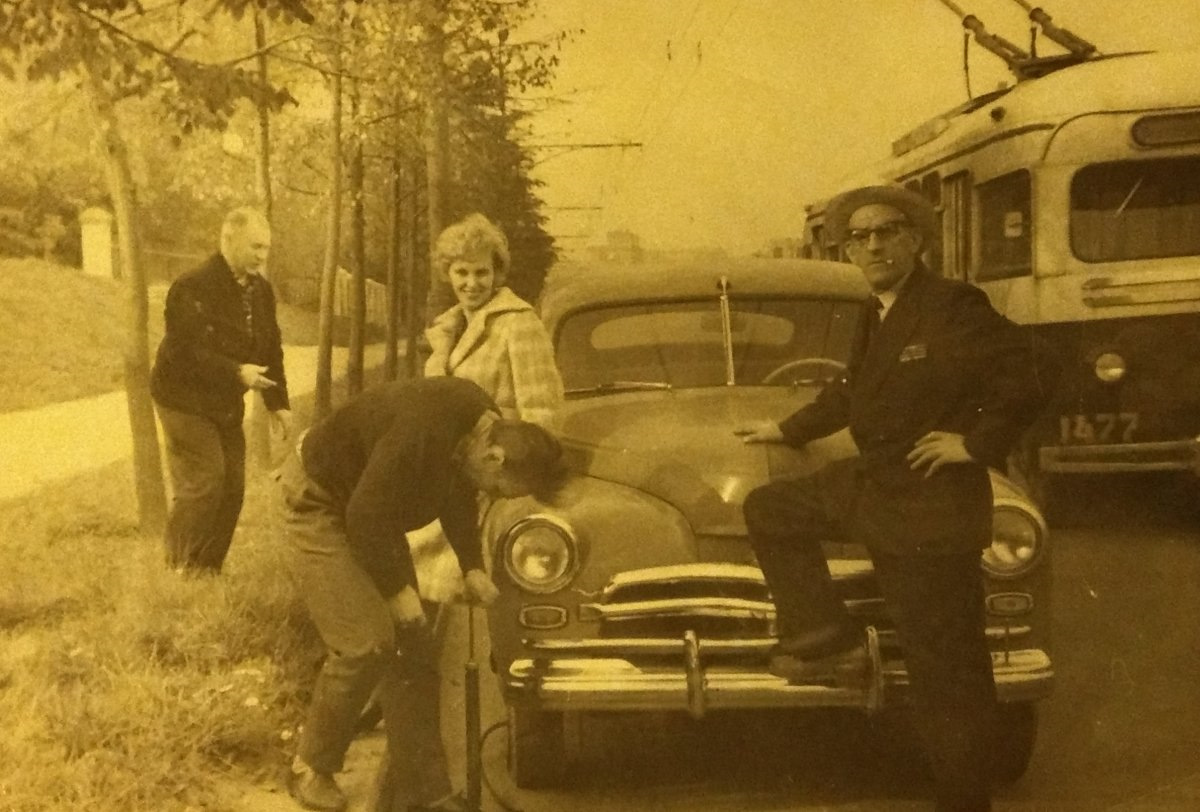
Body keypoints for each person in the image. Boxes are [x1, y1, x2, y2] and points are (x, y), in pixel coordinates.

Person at [736, 185, 1051, 812]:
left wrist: (975, 443)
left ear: (915, 240)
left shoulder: (952, 305)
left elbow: (1035, 369)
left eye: (887, 232)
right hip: (875, 484)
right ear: (847, 249)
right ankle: (828, 638)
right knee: (769, 508)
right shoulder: (876, 310)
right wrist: (787, 429)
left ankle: (964, 801)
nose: (874, 245)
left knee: (945, 673)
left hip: (930, 508)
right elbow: (853, 390)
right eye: (860, 236)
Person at [275, 376, 567, 812]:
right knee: (366, 642)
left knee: (414, 645)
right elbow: (364, 517)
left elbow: (458, 490)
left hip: (372, 509)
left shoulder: (479, 426)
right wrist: (397, 592)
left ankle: (425, 792)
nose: (490, 495)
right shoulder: (423, 433)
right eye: (496, 489)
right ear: (495, 457)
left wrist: (472, 565)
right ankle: (309, 768)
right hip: (319, 499)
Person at [151, 206, 292, 573]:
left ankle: (205, 570)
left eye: (266, 248)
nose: (262, 256)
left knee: (234, 487)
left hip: (224, 401)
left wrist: (278, 403)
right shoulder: (191, 286)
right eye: (255, 247)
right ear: (228, 240)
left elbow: (271, 347)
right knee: (206, 480)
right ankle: (175, 568)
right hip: (182, 399)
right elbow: (185, 352)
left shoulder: (261, 291)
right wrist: (236, 372)